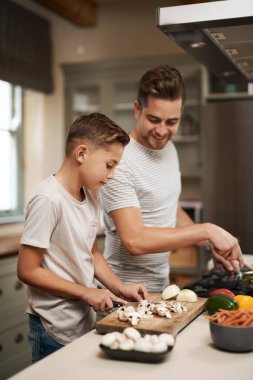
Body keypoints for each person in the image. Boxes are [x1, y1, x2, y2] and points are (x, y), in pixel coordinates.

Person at [100, 65, 244, 292]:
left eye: (171, 122)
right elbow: (134, 240)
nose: (161, 130)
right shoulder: (119, 161)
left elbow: (170, 211)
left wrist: (211, 244)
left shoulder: (170, 150)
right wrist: (206, 230)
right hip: (120, 294)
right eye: (154, 119)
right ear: (137, 109)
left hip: (159, 288)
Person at [17, 113, 147, 363]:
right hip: (52, 328)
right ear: (81, 153)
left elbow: (92, 253)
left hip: (83, 322)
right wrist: (86, 293)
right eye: (109, 165)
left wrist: (120, 287)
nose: (112, 175)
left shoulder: (91, 195)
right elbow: (27, 270)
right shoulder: (48, 199)